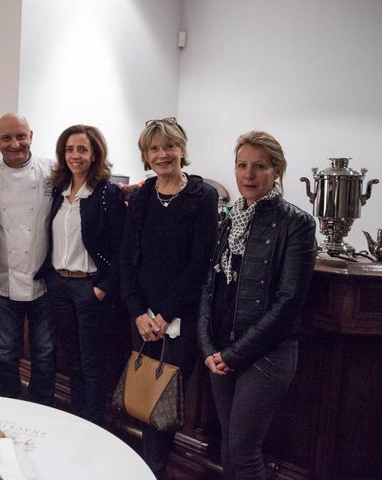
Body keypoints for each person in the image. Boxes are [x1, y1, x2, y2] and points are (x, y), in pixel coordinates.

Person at [197, 131, 317, 479]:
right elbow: (209, 286)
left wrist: (233, 355)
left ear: (276, 171)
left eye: (259, 167)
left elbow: (288, 302)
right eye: (242, 165)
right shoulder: (230, 218)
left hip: (266, 355)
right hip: (222, 351)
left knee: (245, 453)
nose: (248, 175)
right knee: (228, 449)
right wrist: (209, 347)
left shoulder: (297, 223)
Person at [120, 118, 219, 475]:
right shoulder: (143, 194)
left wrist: (164, 314)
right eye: (154, 148)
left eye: (169, 146)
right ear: (146, 155)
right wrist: (138, 312)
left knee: (164, 406)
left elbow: (199, 263)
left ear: (182, 149)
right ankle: (145, 467)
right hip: (142, 318)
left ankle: (153, 470)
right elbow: (127, 258)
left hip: (179, 318)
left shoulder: (202, 195)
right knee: (144, 398)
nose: (162, 154)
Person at [35, 124, 126, 425]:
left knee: (92, 363)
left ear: (94, 154)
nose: (75, 155)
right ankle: (77, 419)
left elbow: (121, 248)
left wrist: (101, 288)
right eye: (70, 149)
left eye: (82, 149)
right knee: (71, 359)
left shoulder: (106, 194)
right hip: (59, 285)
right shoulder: (57, 192)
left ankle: (92, 424)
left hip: (90, 288)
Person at [0, 113, 56, 405]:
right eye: (6, 138)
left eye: (21, 136)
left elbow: (87, 183)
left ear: (31, 135)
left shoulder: (52, 170)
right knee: (4, 352)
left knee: (45, 352)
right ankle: (8, 403)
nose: (15, 144)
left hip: (44, 277)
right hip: (3, 276)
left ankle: (42, 407)